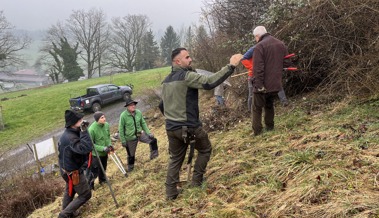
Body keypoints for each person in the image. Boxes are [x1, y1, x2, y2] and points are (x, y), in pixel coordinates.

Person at [159, 47, 243, 200]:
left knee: (175, 159)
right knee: (205, 149)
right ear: (177, 61)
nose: (190, 59)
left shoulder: (165, 81)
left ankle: (170, 193)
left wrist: (173, 117)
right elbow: (210, 82)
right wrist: (230, 66)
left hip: (171, 128)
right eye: (187, 57)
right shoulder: (187, 76)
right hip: (189, 127)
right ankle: (196, 182)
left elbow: (161, 106)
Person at [251, 26, 290, 136]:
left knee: (256, 108)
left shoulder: (259, 46)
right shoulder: (280, 44)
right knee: (269, 104)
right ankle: (270, 126)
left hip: (262, 83)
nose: (255, 39)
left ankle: (257, 131)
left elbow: (258, 68)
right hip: (275, 83)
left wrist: (258, 85)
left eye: (255, 37)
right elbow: (287, 63)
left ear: (257, 36)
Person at [58, 110, 92, 218]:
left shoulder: (70, 133)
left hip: (65, 170)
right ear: (74, 122)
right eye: (80, 120)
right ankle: (64, 214)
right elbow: (85, 148)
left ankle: (67, 213)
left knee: (70, 190)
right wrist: (84, 132)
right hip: (73, 172)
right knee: (86, 194)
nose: (82, 121)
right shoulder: (71, 138)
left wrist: (82, 130)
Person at [241, 46, 289, 111]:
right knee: (252, 93)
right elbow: (243, 59)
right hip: (253, 75)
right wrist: (252, 68)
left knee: (277, 84)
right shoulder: (254, 49)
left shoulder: (268, 49)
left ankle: (284, 102)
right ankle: (250, 110)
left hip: (266, 72)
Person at [119, 98, 159, 172]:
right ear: (127, 106)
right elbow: (121, 129)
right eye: (131, 105)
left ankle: (154, 157)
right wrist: (123, 141)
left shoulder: (138, 112)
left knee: (153, 140)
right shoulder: (123, 116)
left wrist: (148, 132)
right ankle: (131, 169)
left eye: (134, 104)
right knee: (131, 155)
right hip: (130, 137)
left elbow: (143, 123)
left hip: (140, 133)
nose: (133, 106)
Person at [87, 111, 113, 190]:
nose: (104, 119)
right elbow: (91, 144)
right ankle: (90, 186)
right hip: (96, 154)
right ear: (97, 119)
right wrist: (102, 148)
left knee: (103, 167)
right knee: (94, 171)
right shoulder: (92, 129)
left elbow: (108, 137)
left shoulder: (106, 125)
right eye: (102, 118)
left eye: (104, 117)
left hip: (105, 152)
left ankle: (102, 180)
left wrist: (109, 145)